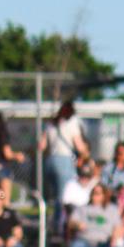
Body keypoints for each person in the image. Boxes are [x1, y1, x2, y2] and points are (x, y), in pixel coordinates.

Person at [41, 99, 86, 230]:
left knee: (53, 197)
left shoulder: (51, 124)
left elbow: (42, 145)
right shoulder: (72, 123)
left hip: (49, 161)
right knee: (64, 197)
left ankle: (49, 224)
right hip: (64, 161)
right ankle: (59, 226)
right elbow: (79, 146)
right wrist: (84, 154)